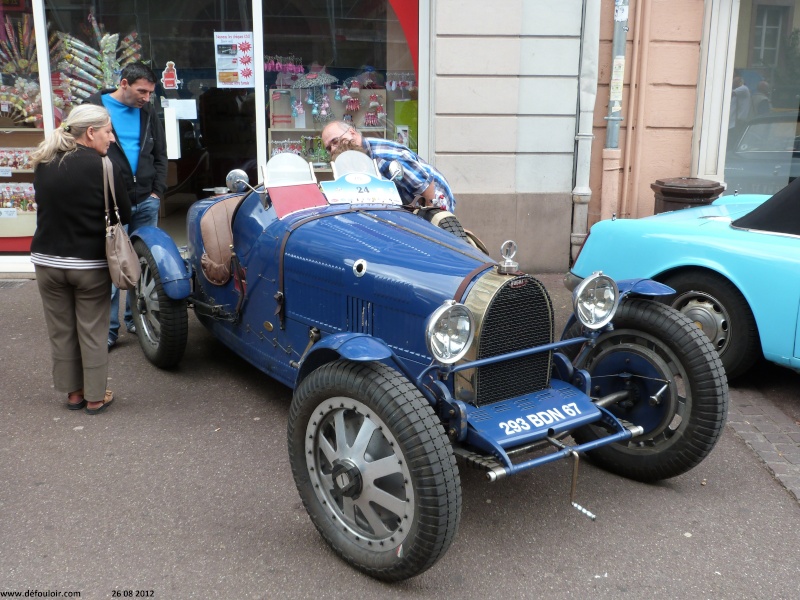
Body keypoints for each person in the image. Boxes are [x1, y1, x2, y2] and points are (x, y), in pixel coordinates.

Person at [29, 104, 131, 415]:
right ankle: (96, 397)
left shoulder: (44, 161)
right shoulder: (103, 165)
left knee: (61, 330)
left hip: (46, 260)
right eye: (107, 131)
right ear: (90, 133)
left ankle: (73, 394)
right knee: (92, 331)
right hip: (88, 264)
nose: (111, 139)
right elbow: (124, 213)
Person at [88, 62, 168, 348]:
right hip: (110, 203)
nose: (146, 97)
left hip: (146, 200)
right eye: (141, 91)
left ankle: (136, 318)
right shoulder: (94, 110)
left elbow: (161, 154)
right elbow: (82, 155)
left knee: (142, 264)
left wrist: (157, 191)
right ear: (123, 84)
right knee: (111, 266)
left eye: (150, 92)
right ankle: (109, 330)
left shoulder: (147, 111)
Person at [321, 120, 457, 213]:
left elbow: (425, 184)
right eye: (329, 148)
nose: (333, 149)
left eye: (335, 141)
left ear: (352, 132)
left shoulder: (383, 155)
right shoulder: (353, 157)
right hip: (407, 206)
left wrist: (431, 214)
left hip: (434, 195)